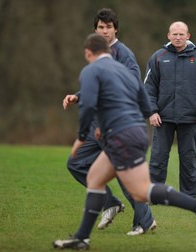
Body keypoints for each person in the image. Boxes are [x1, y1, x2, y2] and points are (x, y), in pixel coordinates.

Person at [53, 33, 196, 250]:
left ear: (88, 53)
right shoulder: (123, 71)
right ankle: (82, 238)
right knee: (95, 179)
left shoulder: (91, 70)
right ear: (109, 51)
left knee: (140, 190)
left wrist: (82, 138)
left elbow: (89, 106)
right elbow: (144, 104)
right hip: (135, 132)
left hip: (121, 136)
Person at [63, 8, 156, 235]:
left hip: (116, 125)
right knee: (75, 163)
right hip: (97, 124)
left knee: (126, 175)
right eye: (100, 27)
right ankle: (110, 203)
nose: (104, 31)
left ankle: (144, 222)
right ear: (95, 30)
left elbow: (134, 85)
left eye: (108, 27)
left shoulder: (124, 54)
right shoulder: (98, 54)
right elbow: (97, 86)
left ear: (116, 29)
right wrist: (78, 96)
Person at [144, 21, 196, 198]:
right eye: (174, 34)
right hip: (162, 118)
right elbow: (148, 89)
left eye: (181, 34)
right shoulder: (158, 57)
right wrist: (151, 111)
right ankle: (154, 195)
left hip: (190, 118)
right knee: (157, 159)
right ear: (168, 36)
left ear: (188, 36)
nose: (178, 37)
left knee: (188, 160)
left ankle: (188, 197)